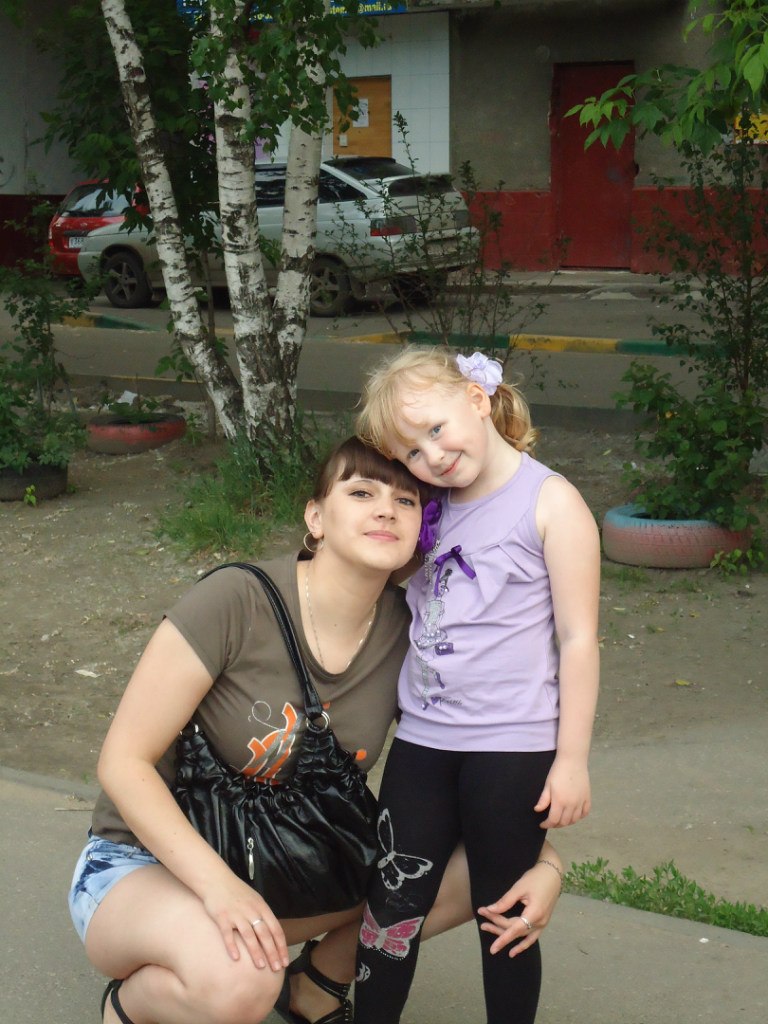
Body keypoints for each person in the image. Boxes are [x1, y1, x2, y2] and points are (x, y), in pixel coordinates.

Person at [68, 436, 565, 1024]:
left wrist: (544, 864)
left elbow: (468, 767)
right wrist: (219, 888)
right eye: (361, 493)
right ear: (315, 517)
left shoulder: (413, 632)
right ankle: (133, 1007)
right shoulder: (236, 599)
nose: (386, 510)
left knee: (462, 868)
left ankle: (318, 982)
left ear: (421, 529)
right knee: (240, 984)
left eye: (406, 501)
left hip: (291, 863)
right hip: (146, 865)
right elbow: (122, 762)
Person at [354, 350, 601, 1024]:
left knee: (505, 913)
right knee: (390, 908)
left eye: (436, 430)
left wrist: (572, 760)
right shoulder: (423, 508)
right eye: (411, 450)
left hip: (512, 750)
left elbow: (579, 640)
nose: (431, 456)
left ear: (476, 398)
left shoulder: (550, 502)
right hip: (423, 744)